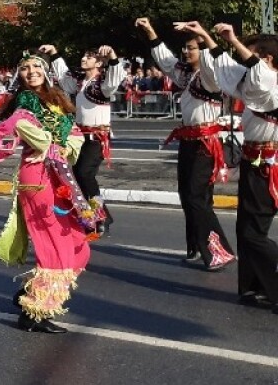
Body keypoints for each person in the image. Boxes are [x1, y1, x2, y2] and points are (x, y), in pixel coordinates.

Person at [0, 54, 96, 333]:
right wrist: (50, 146)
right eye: (24, 68)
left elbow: (76, 137)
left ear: (46, 72)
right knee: (54, 241)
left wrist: (62, 148)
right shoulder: (25, 101)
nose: (31, 71)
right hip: (38, 175)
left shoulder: (57, 100)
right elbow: (24, 128)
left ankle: (29, 295)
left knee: (77, 241)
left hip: (60, 175)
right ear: (19, 75)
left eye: (36, 67)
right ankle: (34, 314)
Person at [138, 18, 235, 270]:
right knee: (188, 195)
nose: (185, 51)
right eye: (186, 47)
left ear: (202, 51)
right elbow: (166, 59)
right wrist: (150, 31)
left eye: (191, 47)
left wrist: (203, 34)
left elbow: (212, 60)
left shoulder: (211, 77)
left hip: (206, 143)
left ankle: (218, 250)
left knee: (196, 196)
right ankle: (195, 246)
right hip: (188, 141)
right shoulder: (186, 75)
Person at [198, 23, 278, 309]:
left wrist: (232, 39)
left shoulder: (270, 85)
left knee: (253, 234)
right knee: (246, 228)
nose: (246, 62)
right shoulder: (258, 83)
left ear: (267, 60)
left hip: (268, 167)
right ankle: (253, 287)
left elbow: (256, 74)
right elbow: (229, 68)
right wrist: (209, 38)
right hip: (253, 162)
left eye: (253, 56)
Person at [41, 42, 125, 233]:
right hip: (80, 136)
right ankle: (93, 214)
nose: (83, 59)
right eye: (84, 56)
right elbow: (63, 78)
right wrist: (54, 53)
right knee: (78, 175)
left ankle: (101, 214)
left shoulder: (103, 84)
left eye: (89, 57)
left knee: (85, 173)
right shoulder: (80, 82)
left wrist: (112, 56)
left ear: (99, 63)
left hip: (96, 137)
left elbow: (114, 78)